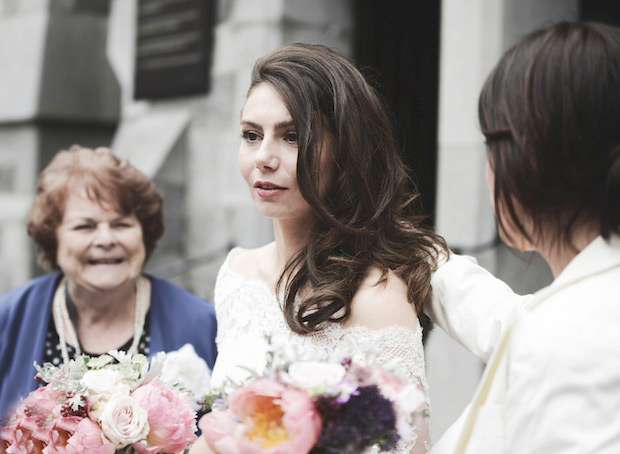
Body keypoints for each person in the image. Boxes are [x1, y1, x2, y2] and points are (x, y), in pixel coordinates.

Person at [191, 42, 449, 453]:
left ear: (346, 151)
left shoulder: (376, 298)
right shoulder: (236, 275)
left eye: (292, 137)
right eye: (251, 135)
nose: (264, 157)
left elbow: (408, 447)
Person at [429, 21, 620, 452]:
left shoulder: (568, 335)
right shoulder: (580, 305)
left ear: (524, 158)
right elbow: (513, 320)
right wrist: (428, 261)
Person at [0, 145, 218, 418]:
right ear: (53, 238)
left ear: (143, 233)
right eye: (85, 226)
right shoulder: (8, 318)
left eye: (121, 224)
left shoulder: (202, 323)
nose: (106, 240)